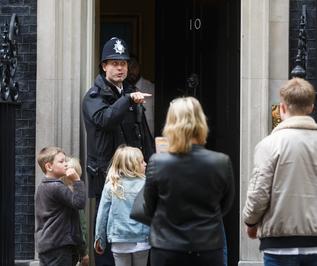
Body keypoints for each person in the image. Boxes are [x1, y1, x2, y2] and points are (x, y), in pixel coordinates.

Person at [242, 77, 317, 266]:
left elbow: (258, 193)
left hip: (279, 245)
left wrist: (250, 222)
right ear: (311, 108)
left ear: (282, 107)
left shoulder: (269, 145)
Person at [82, 37, 155, 266]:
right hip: (109, 177)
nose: (120, 68)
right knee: (107, 231)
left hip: (136, 178)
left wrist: (152, 166)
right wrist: (127, 100)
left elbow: (143, 133)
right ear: (104, 66)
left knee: (139, 237)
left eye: (123, 63)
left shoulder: (132, 93)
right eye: (114, 63)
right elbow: (106, 119)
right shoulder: (93, 96)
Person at [143, 97, 235, 266]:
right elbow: (225, 206)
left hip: (167, 248)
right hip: (207, 247)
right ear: (201, 122)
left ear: (170, 123)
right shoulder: (221, 161)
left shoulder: (157, 162)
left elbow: (148, 208)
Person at [94, 145, 151, 266]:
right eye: (142, 161)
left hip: (119, 241)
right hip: (142, 240)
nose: (145, 164)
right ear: (132, 165)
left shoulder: (112, 185)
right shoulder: (147, 184)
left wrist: (100, 240)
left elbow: (101, 216)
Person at [34, 147, 87, 266]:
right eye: (61, 161)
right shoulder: (57, 187)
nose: (66, 164)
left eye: (65, 161)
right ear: (49, 167)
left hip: (45, 244)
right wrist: (77, 180)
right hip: (59, 244)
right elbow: (79, 203)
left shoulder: (42, 187)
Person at [60, 157, 90, 266]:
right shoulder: (75, 197)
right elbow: (80, 226)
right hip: (72, 248)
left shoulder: (57, 192)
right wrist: (84, 252)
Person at [126, 54, 155, 136]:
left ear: (140, 66)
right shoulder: (121, 91)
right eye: (128, 68)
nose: (131, 71)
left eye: (134, 67)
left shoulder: (152, 88)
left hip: (151, 138)